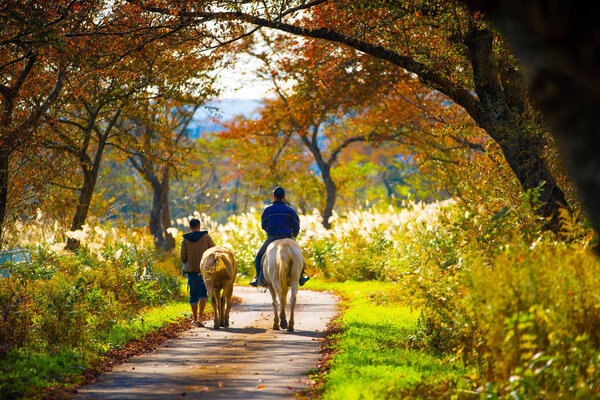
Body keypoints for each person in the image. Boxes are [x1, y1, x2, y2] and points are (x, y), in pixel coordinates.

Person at [250, 186, 310, 287]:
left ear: (274, 196)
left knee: (259, 256)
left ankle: (258, 278)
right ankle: (301, 278)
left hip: (272, 238)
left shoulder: (268, 210)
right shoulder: (290, 210)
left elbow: (263, 225)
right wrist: (294, 235)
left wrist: (269, 231)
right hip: (287, 237)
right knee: (300, 256)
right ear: (284, 196)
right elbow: (296, 225)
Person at [180, 218, 215, 326]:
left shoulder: (185, 240)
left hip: (191, 271)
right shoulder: (206, 237)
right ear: (199, 227)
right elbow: (213, 251)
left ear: (190, 227)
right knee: (203, 294)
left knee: (193, 295)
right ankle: (200, 317)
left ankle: (195, 319)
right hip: (204, 271)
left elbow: (182, 257)